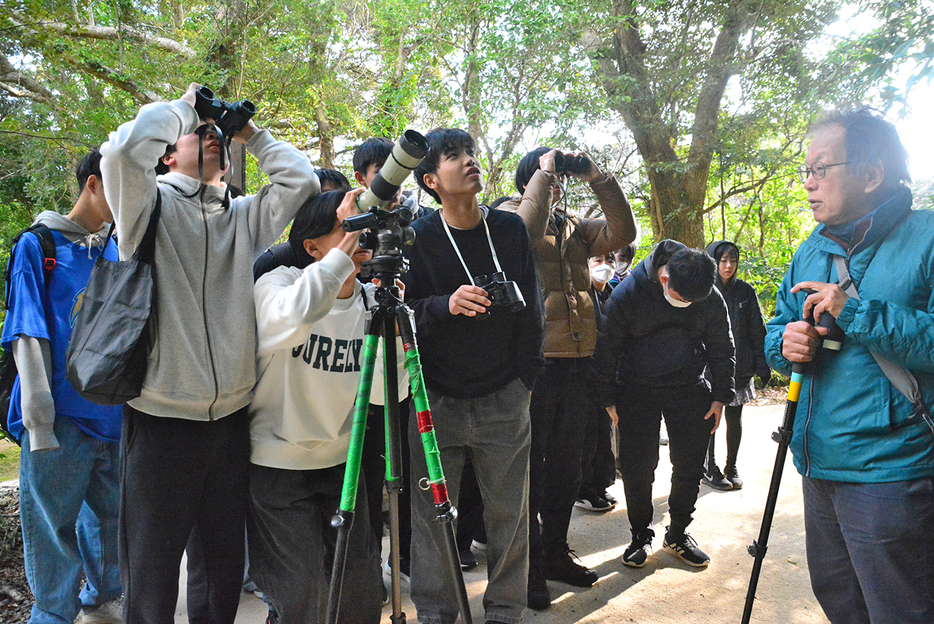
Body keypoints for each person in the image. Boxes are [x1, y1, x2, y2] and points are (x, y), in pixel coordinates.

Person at [100, 82, 318, 622]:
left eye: (217, 134)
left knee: (220, 578)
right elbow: (124, 152)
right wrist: (184, 109)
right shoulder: (144, 208)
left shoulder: (242, 217)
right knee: (150, 582)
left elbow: (300, 180)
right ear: (170, 151)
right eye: (201, 135)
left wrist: (248, 132)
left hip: (229, 423)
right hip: (160, 420)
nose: (213, 138)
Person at [765, 107, 934, 624]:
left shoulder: (926, 237)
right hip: (818, 464)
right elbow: (777, 330)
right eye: (806, 172)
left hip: (892, 469)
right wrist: (786, 345)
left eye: (821, 169)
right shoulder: (809, 250)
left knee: (900, 609)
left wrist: (853, 311)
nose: (809, 184)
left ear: (872, 173)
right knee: (841, 601)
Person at [403, 128, 545, 624]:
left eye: (470, 153)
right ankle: (437, 614)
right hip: (434, 400)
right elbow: (401, 311)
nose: (469, 161)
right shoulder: (416, 237)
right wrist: (446, 304)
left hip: (503, 397)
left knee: (510, 513)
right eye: (454, 156)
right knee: (431, 520)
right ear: (430, 181)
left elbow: (534, 311)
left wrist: (524, 382)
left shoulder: (508, 230)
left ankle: (506, 610)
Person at [247, 188, 401, 623]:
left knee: (359, 593)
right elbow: (291, 317)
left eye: (361, 228)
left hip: (342, 464)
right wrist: (340, 263)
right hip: (277, 465)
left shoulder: (372, 302)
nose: (360, 238)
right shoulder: (277, 284)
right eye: (346, 229)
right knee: (305, 596)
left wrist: (393, 328)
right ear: (312, 247)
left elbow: (387, 392)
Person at [498, 146, 636, 609]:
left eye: (561, 177)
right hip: (535, 365)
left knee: (567, 470)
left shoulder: (573, 225)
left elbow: (623, 231)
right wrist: (544, 171)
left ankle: (555, 552)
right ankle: (529, 567)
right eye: (551, 175)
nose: (558, 183)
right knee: (530, 475)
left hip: (579, 362)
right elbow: (525, 232)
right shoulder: (508, 213)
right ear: (532, 176)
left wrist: (596, 175)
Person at [2, 149, 124, 624]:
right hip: (59, 419)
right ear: (93, 183)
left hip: (113, 417)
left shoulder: (118, 246)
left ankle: (106, 593)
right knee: (52, 526)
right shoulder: (39, 245)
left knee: (111, 519)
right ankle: (52, 613)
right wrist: (39, 423)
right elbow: (26, 331)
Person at [592, 240, 734, 569]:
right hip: (635, 388)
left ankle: (678, 534)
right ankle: (640, 535)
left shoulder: (708, 293)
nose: (687, 306)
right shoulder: (629, 293)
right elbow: (607, 346)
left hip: (688, 386)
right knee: (638, 468)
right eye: (683, 300)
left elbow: (721, 343)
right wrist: (607, 397)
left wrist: (720, 395)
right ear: (665, 280)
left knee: (689, 465)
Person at [701, 240, 770, 491]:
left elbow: (757, 329)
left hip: (740, 366)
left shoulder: (745, 291)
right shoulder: (704, 291)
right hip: (709, 369)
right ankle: (709, 468)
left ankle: (731, 466)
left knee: (735, 417)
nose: (728, 266)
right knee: (710, 419)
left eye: (733, 261)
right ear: (713, 262)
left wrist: (763, 364)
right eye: (723, 261)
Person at [575, 253, 620, 512]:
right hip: (585, 377)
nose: (605, 266)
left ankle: (599, 486)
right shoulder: (581, 295)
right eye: (597, 260)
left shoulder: (613, 294)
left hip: (606, 377)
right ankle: (583, 491)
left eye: (609, 261)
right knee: (587, 438)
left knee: (604, 436)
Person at [252, 168, 350, 281]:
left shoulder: (359, 256)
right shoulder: (275, 261)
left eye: (343, 199)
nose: (337, 207)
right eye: (325, 197)